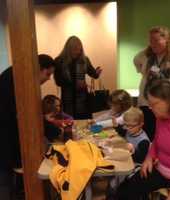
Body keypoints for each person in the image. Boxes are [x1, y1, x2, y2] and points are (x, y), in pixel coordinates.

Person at [116, 79, 170, 200]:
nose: (150, 108)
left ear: (169, 101)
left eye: (154, 104)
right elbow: (158, 140)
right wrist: (149, 157)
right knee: (124, 190)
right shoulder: (161, 116)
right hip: (162, 172)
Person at [0, 54, 55, 200]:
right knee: (5, 178)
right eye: (48, 74)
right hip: (4, 135)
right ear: (38, 68)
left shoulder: (17, 74)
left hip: (8, 132)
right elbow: (27, 116)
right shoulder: (17, 78)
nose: (49, 78)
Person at [54, 35, 102, 119]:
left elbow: (93, 74)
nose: (78, 52)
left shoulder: (84, 60)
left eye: (80, 49)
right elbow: (58, 82)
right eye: (75, 49)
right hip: (67, 99)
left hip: (83, 99)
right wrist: (74, 84)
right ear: (68, 49)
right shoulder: (59, 61)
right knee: (69, 121)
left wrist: (97, 74)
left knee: (84, 122)